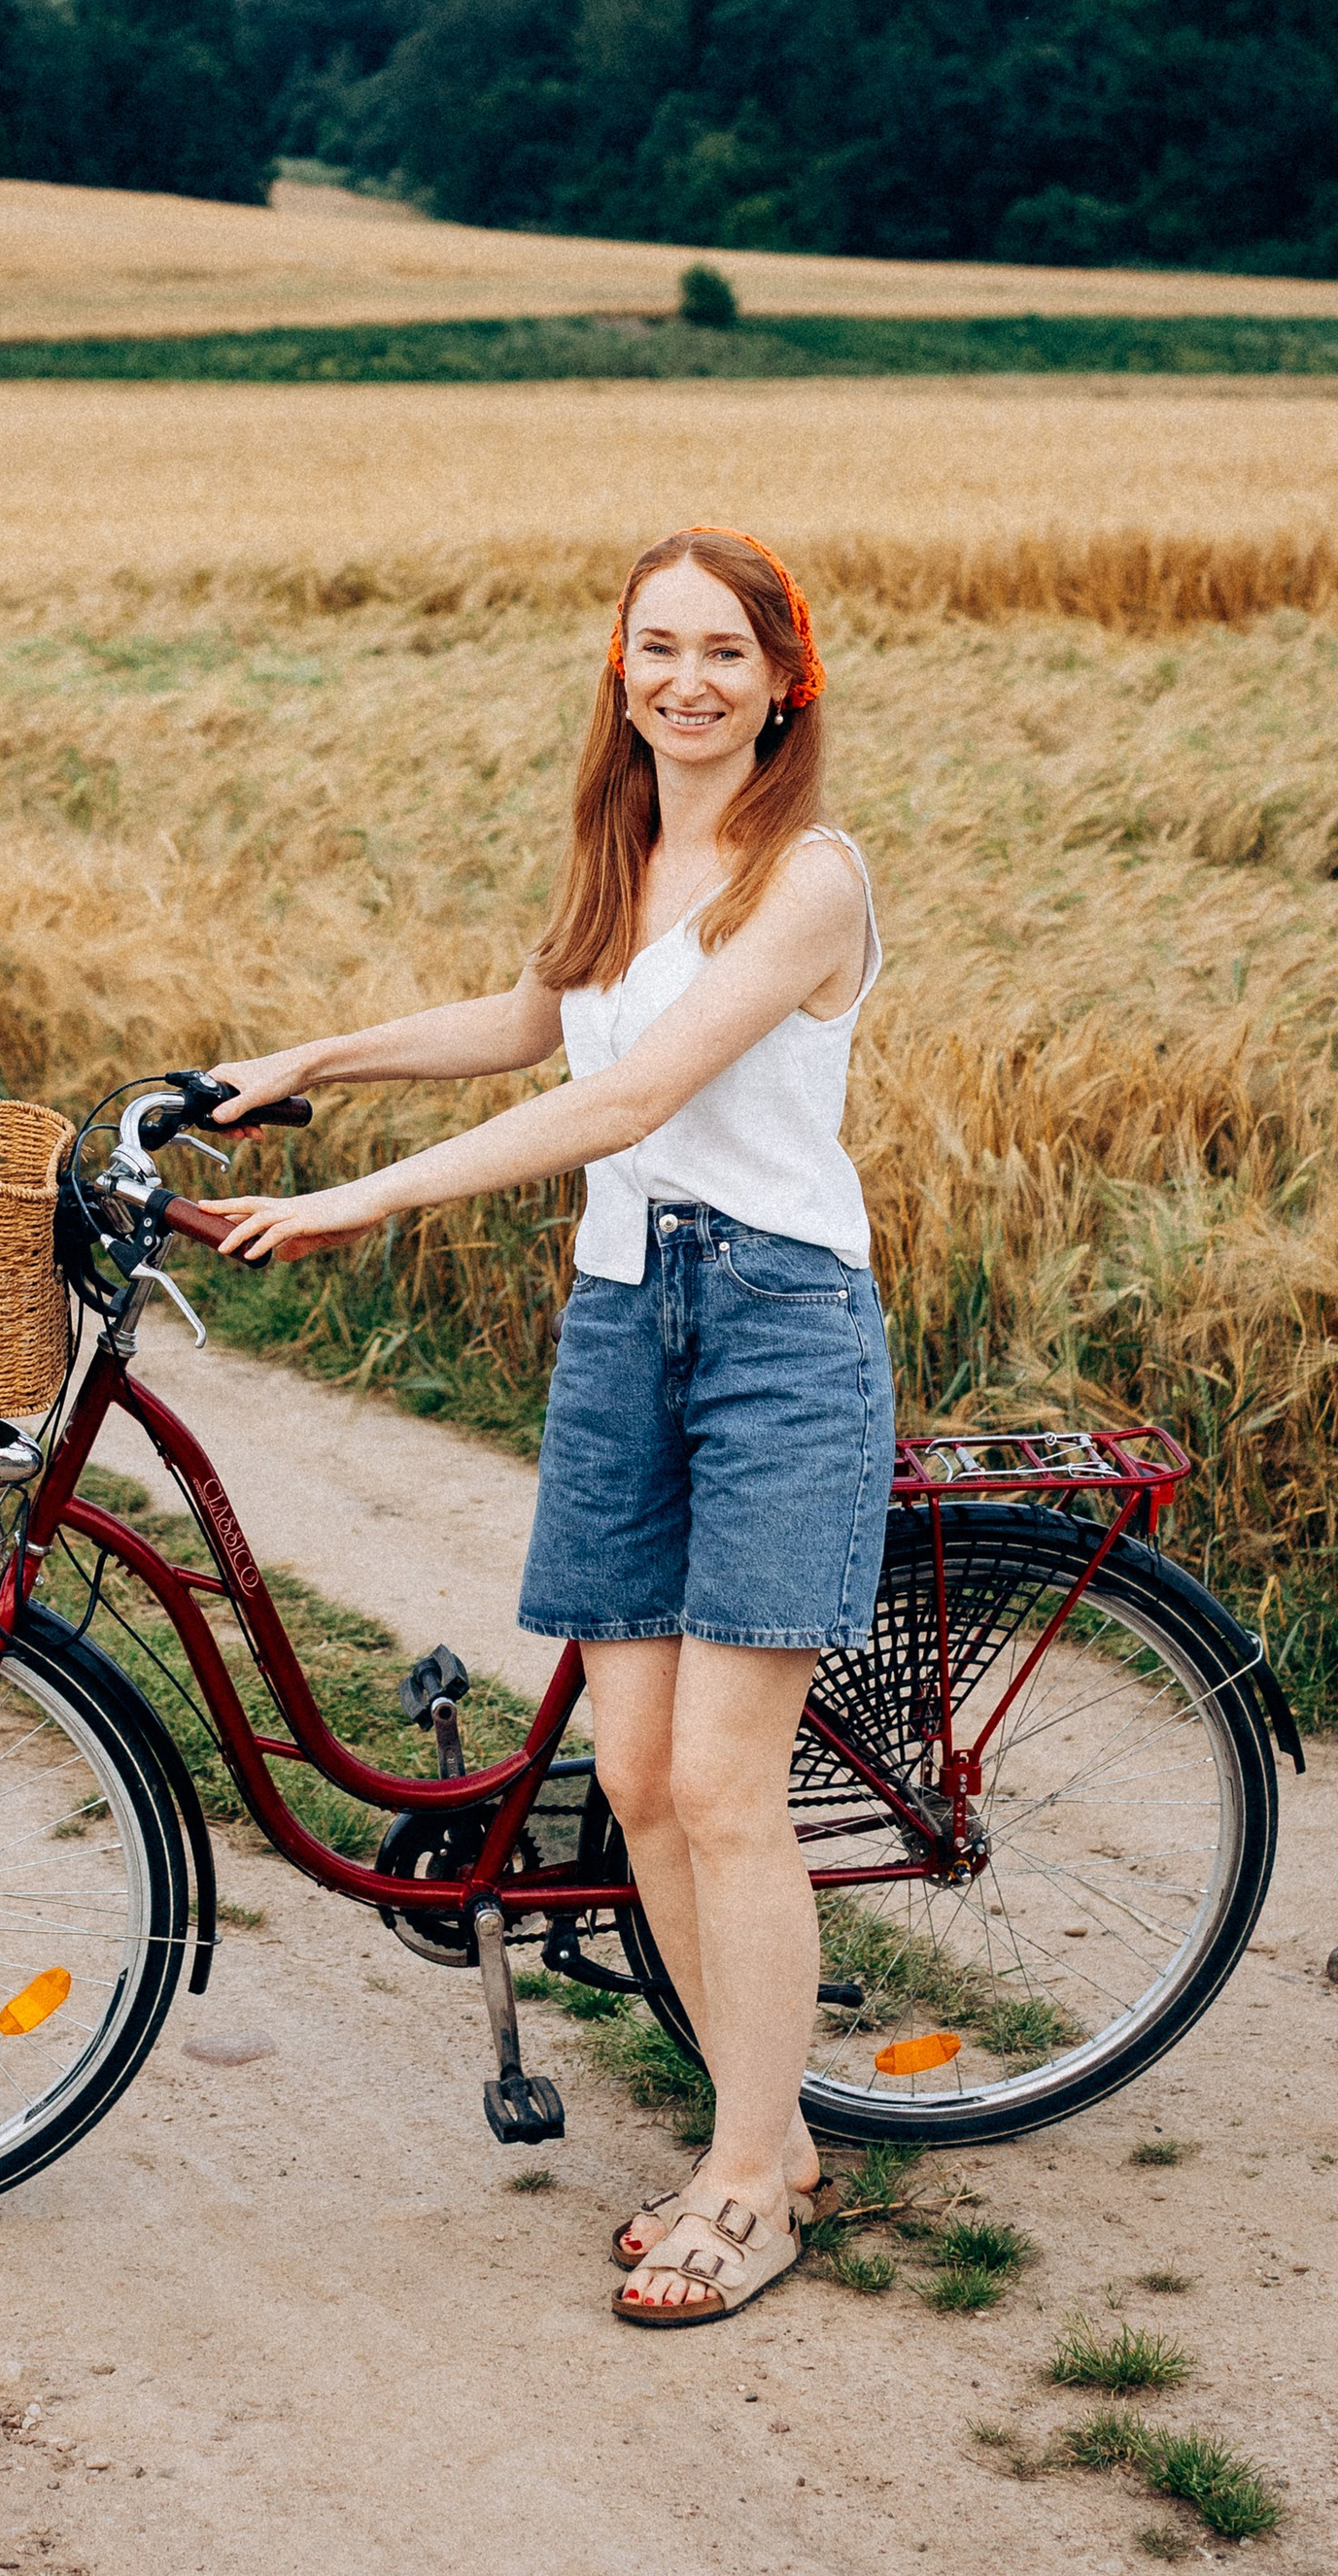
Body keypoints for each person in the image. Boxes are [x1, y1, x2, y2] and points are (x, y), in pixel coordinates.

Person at [201, 524, 889, 2329]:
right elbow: (543, 1016)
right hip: (620, 1321)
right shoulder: (627, 845)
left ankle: (756, 2178)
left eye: (725, 651)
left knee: (729, 1787)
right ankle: (767, 2143)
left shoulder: (806, 874)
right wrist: (311, 1062)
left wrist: (370, 1199)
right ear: (620, 668)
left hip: (773, 1332)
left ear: (783, 676)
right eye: (656, 646)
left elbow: (639, 1090)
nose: (687, 679)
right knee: (641, 1780)